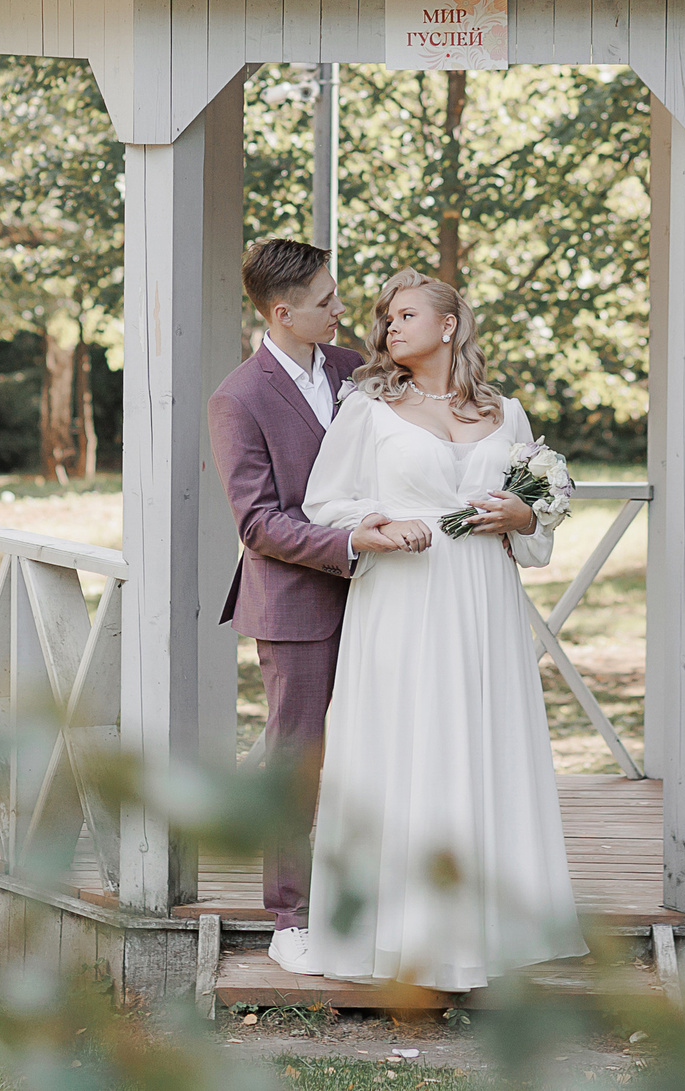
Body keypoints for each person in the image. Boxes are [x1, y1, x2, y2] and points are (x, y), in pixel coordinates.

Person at [268, 268, 588, 991]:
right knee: (405, 747)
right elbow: (325, 503)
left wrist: (523, 515)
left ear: (449, 326)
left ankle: (485, 931)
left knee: (481, 744)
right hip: (404, 603)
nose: (388, 328)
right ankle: (401, 935)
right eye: (384, 318)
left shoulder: (506, 414)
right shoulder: (368, 408)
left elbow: (534, 512)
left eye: (405, 314)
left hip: (482, 599)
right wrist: (378, 523)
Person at [206, 237, 396, 933]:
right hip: (296, 608)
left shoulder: (355, 370)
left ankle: (372, 894)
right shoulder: (238, 397)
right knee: (298, 760)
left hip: (383, 595)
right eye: (326, 302)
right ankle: (290, 914)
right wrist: (350, 541)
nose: (341, 310)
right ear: (282, 313)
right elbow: (258, 523)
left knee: (378, 747)